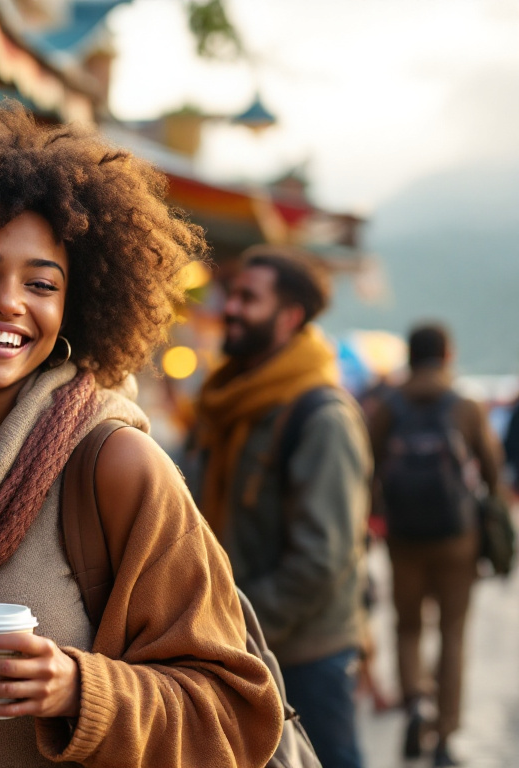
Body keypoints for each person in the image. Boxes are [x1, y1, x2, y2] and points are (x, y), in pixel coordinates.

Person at [0, 92, 284, 768]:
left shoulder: (116, 467)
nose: (7, 302)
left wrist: (78, 688)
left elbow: (234, 710)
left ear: (74, 310)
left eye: (42, 284)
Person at [186, 249, 371, 768]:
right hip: (236, 650)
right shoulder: (224, 401)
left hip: (303, 656)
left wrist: (234, 629)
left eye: (250, 298)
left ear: (289, 318)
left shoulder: (323, 416)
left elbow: (321, 560)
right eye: (233, 294)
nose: (231, 308)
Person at [368, 323, 505, 767]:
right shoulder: (464, 405)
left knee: (408, 626)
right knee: (452, 633)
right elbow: (491, 467)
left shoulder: (389, 405)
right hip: (456, 537)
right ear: (447, 355)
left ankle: (416, 702)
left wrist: (378, 517)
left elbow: (368, 464)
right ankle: (444, 734)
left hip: (404, 535)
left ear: (410, 356)